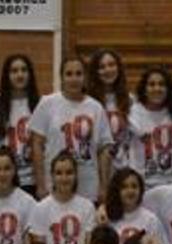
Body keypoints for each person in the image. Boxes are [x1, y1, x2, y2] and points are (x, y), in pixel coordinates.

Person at [28, 56, 113, 202]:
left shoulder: (96, 108)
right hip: (55, 185)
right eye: (69, 74)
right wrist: (41, 184)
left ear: (85, 77)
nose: (74, 79)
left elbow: (104, 150)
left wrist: (104, 186)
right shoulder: (47, 104)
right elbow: (36, 145)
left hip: (88, 186)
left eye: (79, 74)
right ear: (61, 77)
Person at [29, 151, 96, 244]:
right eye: (59, 173)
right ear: (52, 176)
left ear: (76, 175)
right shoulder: (41, 208)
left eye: (69, 173)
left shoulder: (87, 207)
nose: (64, 178)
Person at [0, 54, 41, 196]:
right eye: (14, 71)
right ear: (6, 75)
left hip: (32, 180)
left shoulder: (41, 104)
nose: (19, 75)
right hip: (4, 180)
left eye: (24, 70)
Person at [128, 67, 172, 188]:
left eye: (161, 84)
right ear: (144, 89)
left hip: (171, 182)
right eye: (151, 84)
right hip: (142, 183)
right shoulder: (132, 112)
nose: (157, 88)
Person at [86, 49, 132, 169]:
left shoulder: (130, 99)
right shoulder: (88, 101)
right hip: (96, 167)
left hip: (123, 167)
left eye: (111, 65)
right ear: (95, 72)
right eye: (102, 67)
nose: (108, 70)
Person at [103, 167, 168, 244]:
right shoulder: (107, 217)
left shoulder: (151, 220)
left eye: (134, 186)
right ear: (116, 191)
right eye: (124, 187)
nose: (130, 191)